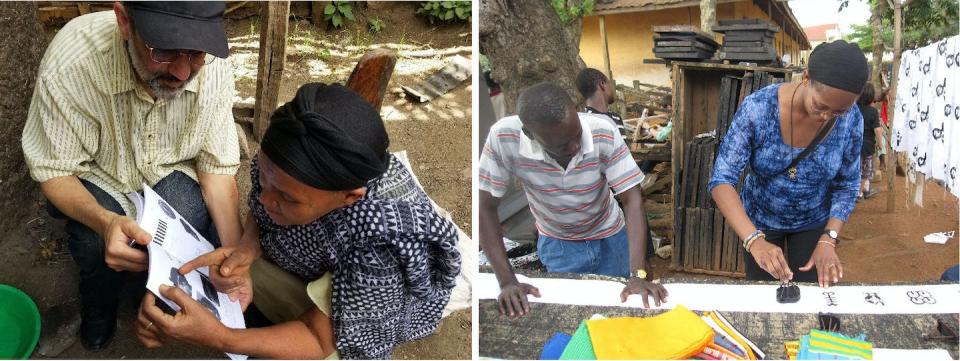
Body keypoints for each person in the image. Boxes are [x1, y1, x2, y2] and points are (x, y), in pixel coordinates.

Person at [135, 83, 462, 359]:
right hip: (325, 258)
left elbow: (321, 339)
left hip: (370, 301)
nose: (264, 200)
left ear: (349, 198)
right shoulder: (287, 162)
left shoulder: (382, 244)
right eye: (263, 176)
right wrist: (248, 247)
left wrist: (219, 337)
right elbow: (263, 209)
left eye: (288, 198)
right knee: (226, 260)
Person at [21, 2, 240, 350]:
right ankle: (100, 304)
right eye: (164, 50)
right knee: (94, 244)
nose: (183, 73)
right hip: (99, 172)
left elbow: (216, 167)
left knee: (186, 216)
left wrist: (233, 255)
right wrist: (104, 221)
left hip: (169, 168)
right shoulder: (71, 65)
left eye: (197, 53)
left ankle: (149, 294)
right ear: (125, 21)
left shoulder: (214, 68)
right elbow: (54, 170)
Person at [479, 81, 667, 318]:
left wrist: (637, 273)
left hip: (613, 238)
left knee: (625, 313)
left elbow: (633, 199)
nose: (576, 146)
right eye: (562, 145)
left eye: (576, 134)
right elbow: (484, 208)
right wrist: (507, 280)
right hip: (559, 245)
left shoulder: (602, 131)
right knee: (575, 318)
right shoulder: (504, 138)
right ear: (530, 134)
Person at [709, 40, 868, 288]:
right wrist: (754, 240)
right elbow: (722, 179)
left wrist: (829, 238)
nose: (826, 116)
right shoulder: (758, 109)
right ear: (806, 78)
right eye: (821, 106)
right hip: (759, 221)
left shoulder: (852, 120)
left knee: (809, 295)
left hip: (813, 221)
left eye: (838, 112)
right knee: (765, 295)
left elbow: (848, 184)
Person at [576, 68, 626, 139]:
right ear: (602, 84)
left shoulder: (616, 118)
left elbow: (623, 149)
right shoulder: (585, 123)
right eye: (609, 83)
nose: (612, 88)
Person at [858, 84, 882, 200]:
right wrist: (880, 143)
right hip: (867, 146)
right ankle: (859, 194)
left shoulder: (854, 108)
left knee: (856, 169)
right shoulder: (873, 112)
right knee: (865, 171)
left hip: (854, 145)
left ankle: (866, 190)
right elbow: (877, 129)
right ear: (871, 96)